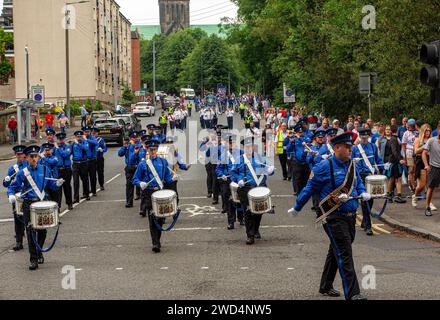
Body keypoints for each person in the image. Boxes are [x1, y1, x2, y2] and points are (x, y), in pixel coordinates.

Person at [289, 132, 370, 300]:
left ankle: (325, 285)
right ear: (336, 148)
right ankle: (353, 294)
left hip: (350, 215)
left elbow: (358, 183)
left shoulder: (351, 165)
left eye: (351, 147)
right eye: (347, 147)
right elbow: (309, 188)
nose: (350, 150)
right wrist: (297, 207)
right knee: (345, 252)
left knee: (336, 250)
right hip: (333, 216)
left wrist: (363, 193)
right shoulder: (324, 166)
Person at [7, 145, 64, 271]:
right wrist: (11, 195)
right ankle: (33, 259)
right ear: (26, 158)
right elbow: (12, 186)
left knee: (42, 231)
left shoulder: (44, 169)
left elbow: (51, 184)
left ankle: (39, 251)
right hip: (28, 204)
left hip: (42, 202)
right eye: (31, 157)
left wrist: (57, 184)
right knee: (30, 231)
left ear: (38, 157)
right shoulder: (22, 173)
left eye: (35, 156)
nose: (33, 158)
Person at [132, 140, 176, 253]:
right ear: (147, 150)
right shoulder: (143, 164)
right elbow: (135, 179)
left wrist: (172, 179)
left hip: (160, 192)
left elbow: (167, 178)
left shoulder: (163, 161)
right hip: (148, 193)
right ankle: (155, 243)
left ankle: (157, 239)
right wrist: (140, 183)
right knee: (152, 218)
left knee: (160, 218)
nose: (152, 151)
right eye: (150, 150)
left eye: (154, 149)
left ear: (157, 150)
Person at [232, 137, 274, 245]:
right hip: (245, 188)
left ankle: (255, 229)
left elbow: (268, 169)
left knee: (259, 211)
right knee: (248, 212)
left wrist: (271, 170)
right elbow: (233, 173)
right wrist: (238, 180)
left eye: (251, 146)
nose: (249, 148)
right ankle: (250, 235)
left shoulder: (261, 158)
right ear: (244, 148)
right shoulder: (239, 159)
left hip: (259, 188)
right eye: (247, 147)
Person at [352, 128, 385, 236]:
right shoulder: (355, 149)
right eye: (362, 137)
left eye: (366, 137)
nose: (364, 139)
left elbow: (378, 159)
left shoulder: (372, 146)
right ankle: (368, 226)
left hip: (372, 175)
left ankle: (364, 221)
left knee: (370, 200)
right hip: (361, 176)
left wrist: (383, 167)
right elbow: (351, 163)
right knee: (365, 200)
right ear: (359, 137)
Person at [3, 145, 28, 251]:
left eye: (21, 154)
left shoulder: (30, 166)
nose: (19, 156)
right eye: (18, 155)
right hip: (17, 196)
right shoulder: (12, 168)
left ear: (25, 155)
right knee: (17, 218)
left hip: (28, 195)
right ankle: (19, 241)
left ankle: (33, 240)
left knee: (28, 219)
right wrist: (7, 180)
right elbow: (6, 185)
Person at [216, 134, 243, 229]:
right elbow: (218, 169)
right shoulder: (223, 155)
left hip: (238, 180)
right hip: (227, 181)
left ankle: (241, 218)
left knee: (240, 200)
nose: (232, 145)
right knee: (229, 201)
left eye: (233, 143)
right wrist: (221, 175)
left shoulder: (241, 154)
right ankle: (231, 221)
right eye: (230, 143)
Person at [378, 125, 406, 203]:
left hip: (394, 159)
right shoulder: (381, 139)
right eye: (386, 129)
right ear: (384, 130)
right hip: (388, 160)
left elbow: (397, 150)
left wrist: (400, 158)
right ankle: (391, 195)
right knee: (391, 178)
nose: (387, 130)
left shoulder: (395, 139)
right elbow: (380, 152)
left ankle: (391, 195)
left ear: (391, 130)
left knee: (394, 178)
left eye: (389, 129)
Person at [412, 124, 434, 209]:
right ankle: (415, 196)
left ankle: (430, 203)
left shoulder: (432, 140)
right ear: (422, 131)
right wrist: (425, 147)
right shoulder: (418, 140)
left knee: (431, 184)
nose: (428, 132)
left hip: (431, 161)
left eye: (429, 131)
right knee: (422, 185)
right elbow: (416, 151)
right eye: (426, 130)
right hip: (420, 162)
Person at [119, 132, 141, 208]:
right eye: (133, 138)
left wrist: (132, 145)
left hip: (138, 167)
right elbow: (120, 154)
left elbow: (133, 158)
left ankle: (143, 204)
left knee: (141, 185)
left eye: (136, 137)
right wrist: (124, 146)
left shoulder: (139, 145)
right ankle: (129, 202)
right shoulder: (127, 146)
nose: (136, 139)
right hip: (129, 167)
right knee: (129, 185)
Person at [422, 124, 440, 216]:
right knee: (431, 188)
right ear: (438, 130)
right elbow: (424, 153)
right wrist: (426, 165)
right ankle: (427, 207)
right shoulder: (432, 140)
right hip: (434, 167)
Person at [289, 124, 312, 194]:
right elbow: (288, 148)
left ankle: (304, 191)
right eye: (299, 132)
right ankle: (297, 191)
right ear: (296, 133)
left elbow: (307, 143)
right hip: (297, 162)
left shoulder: (306, 138)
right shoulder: (294, 139)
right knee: (297, 177)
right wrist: (291, 141)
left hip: (306, 162)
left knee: (305, 177)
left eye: (301, 132)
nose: (300, 133)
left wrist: (299, 138)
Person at [55, 132, 73, 210]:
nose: (61, 140)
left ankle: (69, 203)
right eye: (59, 139)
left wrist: (58, 148)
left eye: (62, 139)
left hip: (66, 169)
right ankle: (58, 206)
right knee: (58, 189)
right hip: (58, 170)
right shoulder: (54, 148)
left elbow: (65, 154)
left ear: (64, 139)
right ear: (57, 139)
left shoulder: (68, 146)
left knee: (67, 187)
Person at [72, 130, 90, 203]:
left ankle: (87, 194)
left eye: (80, 136)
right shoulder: (73, 144)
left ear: (82, 136)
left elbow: (86, 148)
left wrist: (78, 144)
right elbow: (70, 152)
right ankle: (76, 198)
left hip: (83, 163)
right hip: (75, 163)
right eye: (77, 137)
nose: (78, 138)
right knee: (75, 181)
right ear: (75, 137)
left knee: (85, 179)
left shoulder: (85, 142)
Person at [402, 119, 418, 192]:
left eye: (413, 125)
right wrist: (404, 156)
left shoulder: (418, 132)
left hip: (417, 152)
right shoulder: (406, 133)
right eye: (410, 125)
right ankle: (413, 186)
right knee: (411, 170)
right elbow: (403, 145)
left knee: (417, 169)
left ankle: (417, 184)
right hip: (409, 152)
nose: (411, 127)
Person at [84, 127, 99, 197]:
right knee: (85, 178)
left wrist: (87, 140)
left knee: (92, 176)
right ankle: (85, 193)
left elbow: (96, 143)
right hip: (85, 160)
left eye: (88, 132)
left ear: (90, 132)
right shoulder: (81, 139)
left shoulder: (92, 138)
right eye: (85, 132)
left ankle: (93, 191)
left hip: (92, 160)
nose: (86, 133)